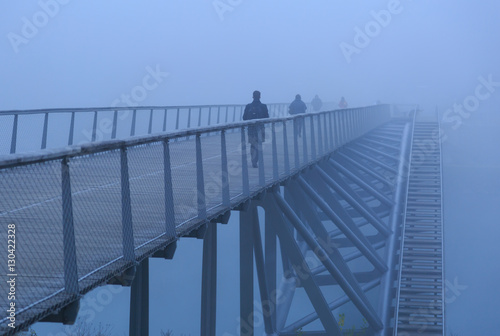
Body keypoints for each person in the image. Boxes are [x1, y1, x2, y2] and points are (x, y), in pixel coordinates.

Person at [243, 90, 269, 168]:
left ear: (253, 96)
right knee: (259, 144)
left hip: (251, 128)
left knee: (253, 145)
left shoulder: (248, 106)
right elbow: (267, 117)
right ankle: (257, 160)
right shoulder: (263, 106)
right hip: (260, 128)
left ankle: (253, 160)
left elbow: (244, 118)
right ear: (260, 96)